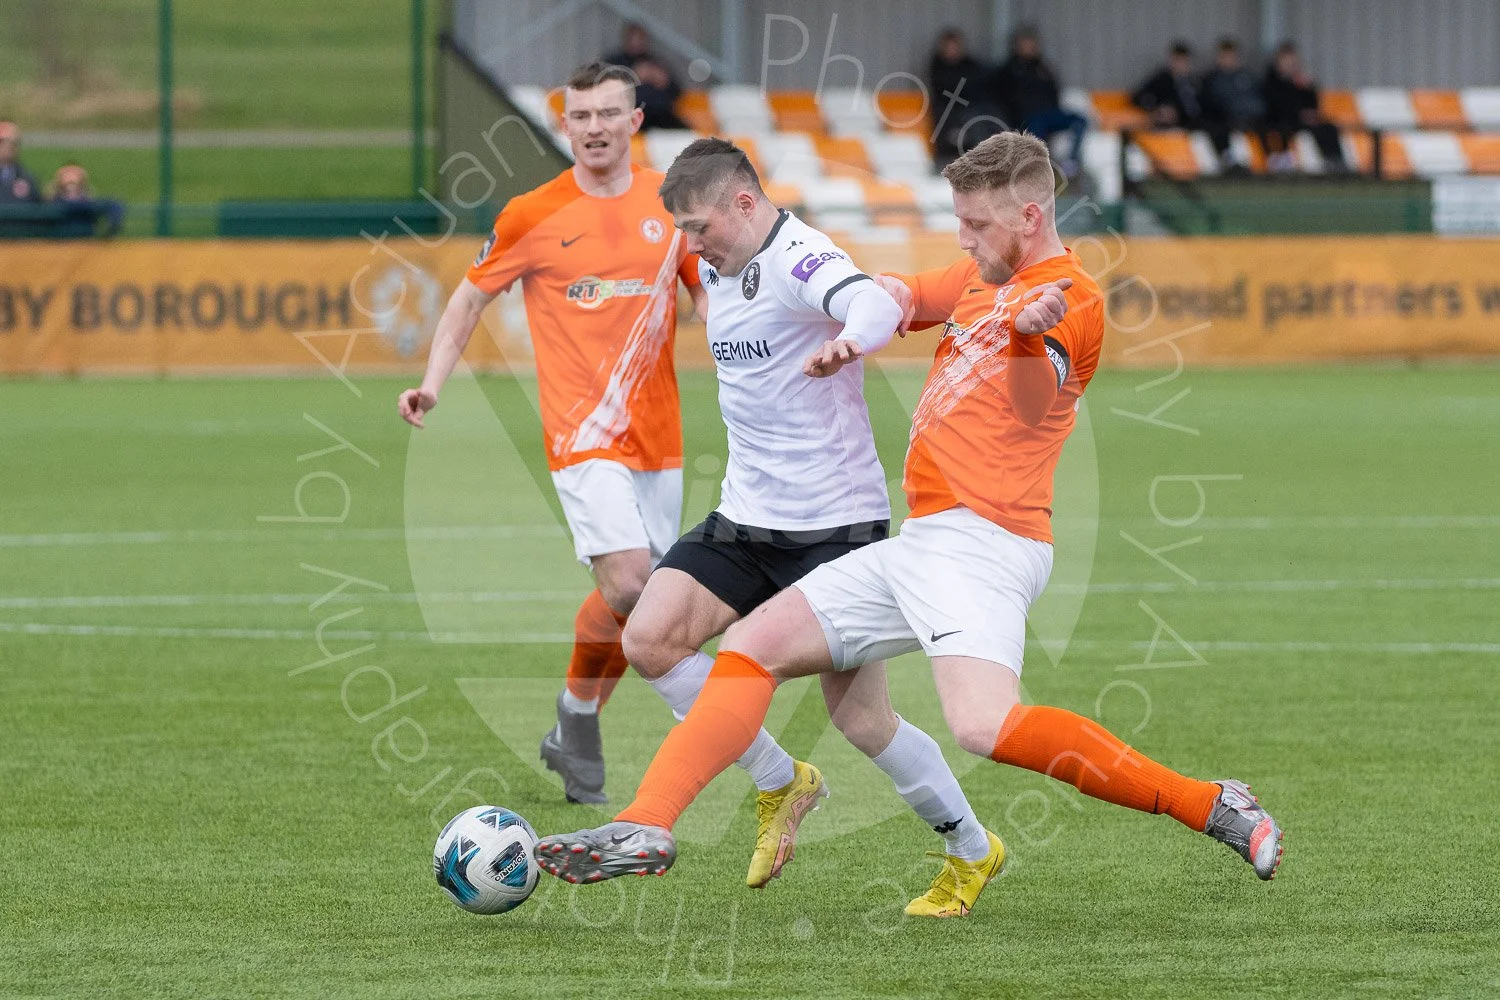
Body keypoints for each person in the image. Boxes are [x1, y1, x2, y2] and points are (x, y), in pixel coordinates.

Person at [537, 131, 1286, 899]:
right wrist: (873, 307)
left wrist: (1029, 337)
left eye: (977, 225)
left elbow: (1033, 409)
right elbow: (902, 295)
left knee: (982, 727)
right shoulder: (978, 272)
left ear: (1030, 217)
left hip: (989, 545)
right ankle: (648, 820)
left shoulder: (1071, 300)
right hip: (922, 540)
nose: (963, 240)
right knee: (751, 648)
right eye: (957, 222)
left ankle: (1210, 803)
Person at [538, 136, 1003, 913]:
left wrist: (853, 337)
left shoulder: (797, 255)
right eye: (683, 231)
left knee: (863, 721)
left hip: (833, 530)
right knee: (649, 639)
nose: (691, 246)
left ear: (745, 205)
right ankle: (782, 779)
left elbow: (869, 297)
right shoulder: (721, 268)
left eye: (699, 229)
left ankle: (970, 847)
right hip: (746, 517)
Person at [398, 62, 707, 805]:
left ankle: (576, 715)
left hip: (659, 437)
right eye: (581, 116)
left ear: (635, 122)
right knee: (636, 584)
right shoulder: (530, 213)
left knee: (638, 597)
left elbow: (710, 295)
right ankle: (707, 724)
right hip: (580, 434)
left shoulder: (672, 204)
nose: (594, 127)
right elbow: (468, 301)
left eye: (609, 114)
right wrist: (433, 383)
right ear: (562, 126)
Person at [988, 27, 1086, 178]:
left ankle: (1071, 162)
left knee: (1079, 120)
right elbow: (1002, 99)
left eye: (1031, 43)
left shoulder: (1044, 68)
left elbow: (1054, 93)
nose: (1028, 47)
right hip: (1027, 118)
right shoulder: (1008, 71)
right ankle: (1039, 169)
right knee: (1035, 131)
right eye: (1024, 43)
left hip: (1049, 113)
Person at [1262, 41, 1347, 172]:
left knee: (1328, 128)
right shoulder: (1271, 81)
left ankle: (1335, 161)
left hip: (1302, 119)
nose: (1290, 65)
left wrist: (1308, 88)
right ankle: (1282, 160)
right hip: (1284, 120)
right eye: (1287, 61)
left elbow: (1313, 104)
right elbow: (1276, 105)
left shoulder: (1299, 81)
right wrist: (1300, 114)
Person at [927, 28, 995, 169]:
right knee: (973, 120)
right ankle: (983, 160)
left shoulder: (971, 65)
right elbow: (949, 91)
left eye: (955, 47)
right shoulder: (938, 68)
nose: (953, 51)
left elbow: (979, 86)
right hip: (949, 114)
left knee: (990, 114)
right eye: (949, 47)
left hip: (972, 110)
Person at [603, 23, 687, 131]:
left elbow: (677, 92)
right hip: (628, 115)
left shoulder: (656, 62)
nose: (637, 43)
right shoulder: (614, 63)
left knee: (685, 134)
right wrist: (633, 76)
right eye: (633, 39)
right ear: (626, 40)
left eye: (640, 39)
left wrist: (664, 81)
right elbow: (603, 91)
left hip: (660, 115)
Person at [1200, 38, 1267, 171]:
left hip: (1250, 118)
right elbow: (1211, 103)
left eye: (1232, 56)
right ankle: (1230, 160)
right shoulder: (1212, 79)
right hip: (1225, 120)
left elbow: (1259, 101)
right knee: (1219, 127)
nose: (1229, 60)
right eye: (1225, 57)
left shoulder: (1247, 77)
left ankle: (1270, 160)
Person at [1132, 41, 1204, 129]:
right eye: (1177, 60)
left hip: (1195, 125)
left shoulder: (1195, 81)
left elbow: (1202, 105)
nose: (1180, 65)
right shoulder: (1161, 80)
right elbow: (1138, 97)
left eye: (1183, 61)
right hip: (1169, 126)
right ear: (1171, 60)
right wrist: (1157, 110)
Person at [49, 164, 125, 238]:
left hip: (86, 243)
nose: (71, 178)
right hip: (58, 243)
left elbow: (113, 206)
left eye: (75, 174)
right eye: (67, 174)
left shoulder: (91, 203)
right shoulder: (51, 202)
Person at [0, 121, 41, 203]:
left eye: (13, 143)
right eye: (3, 141)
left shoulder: (27, 179)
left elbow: (38, 208)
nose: (8, 146)